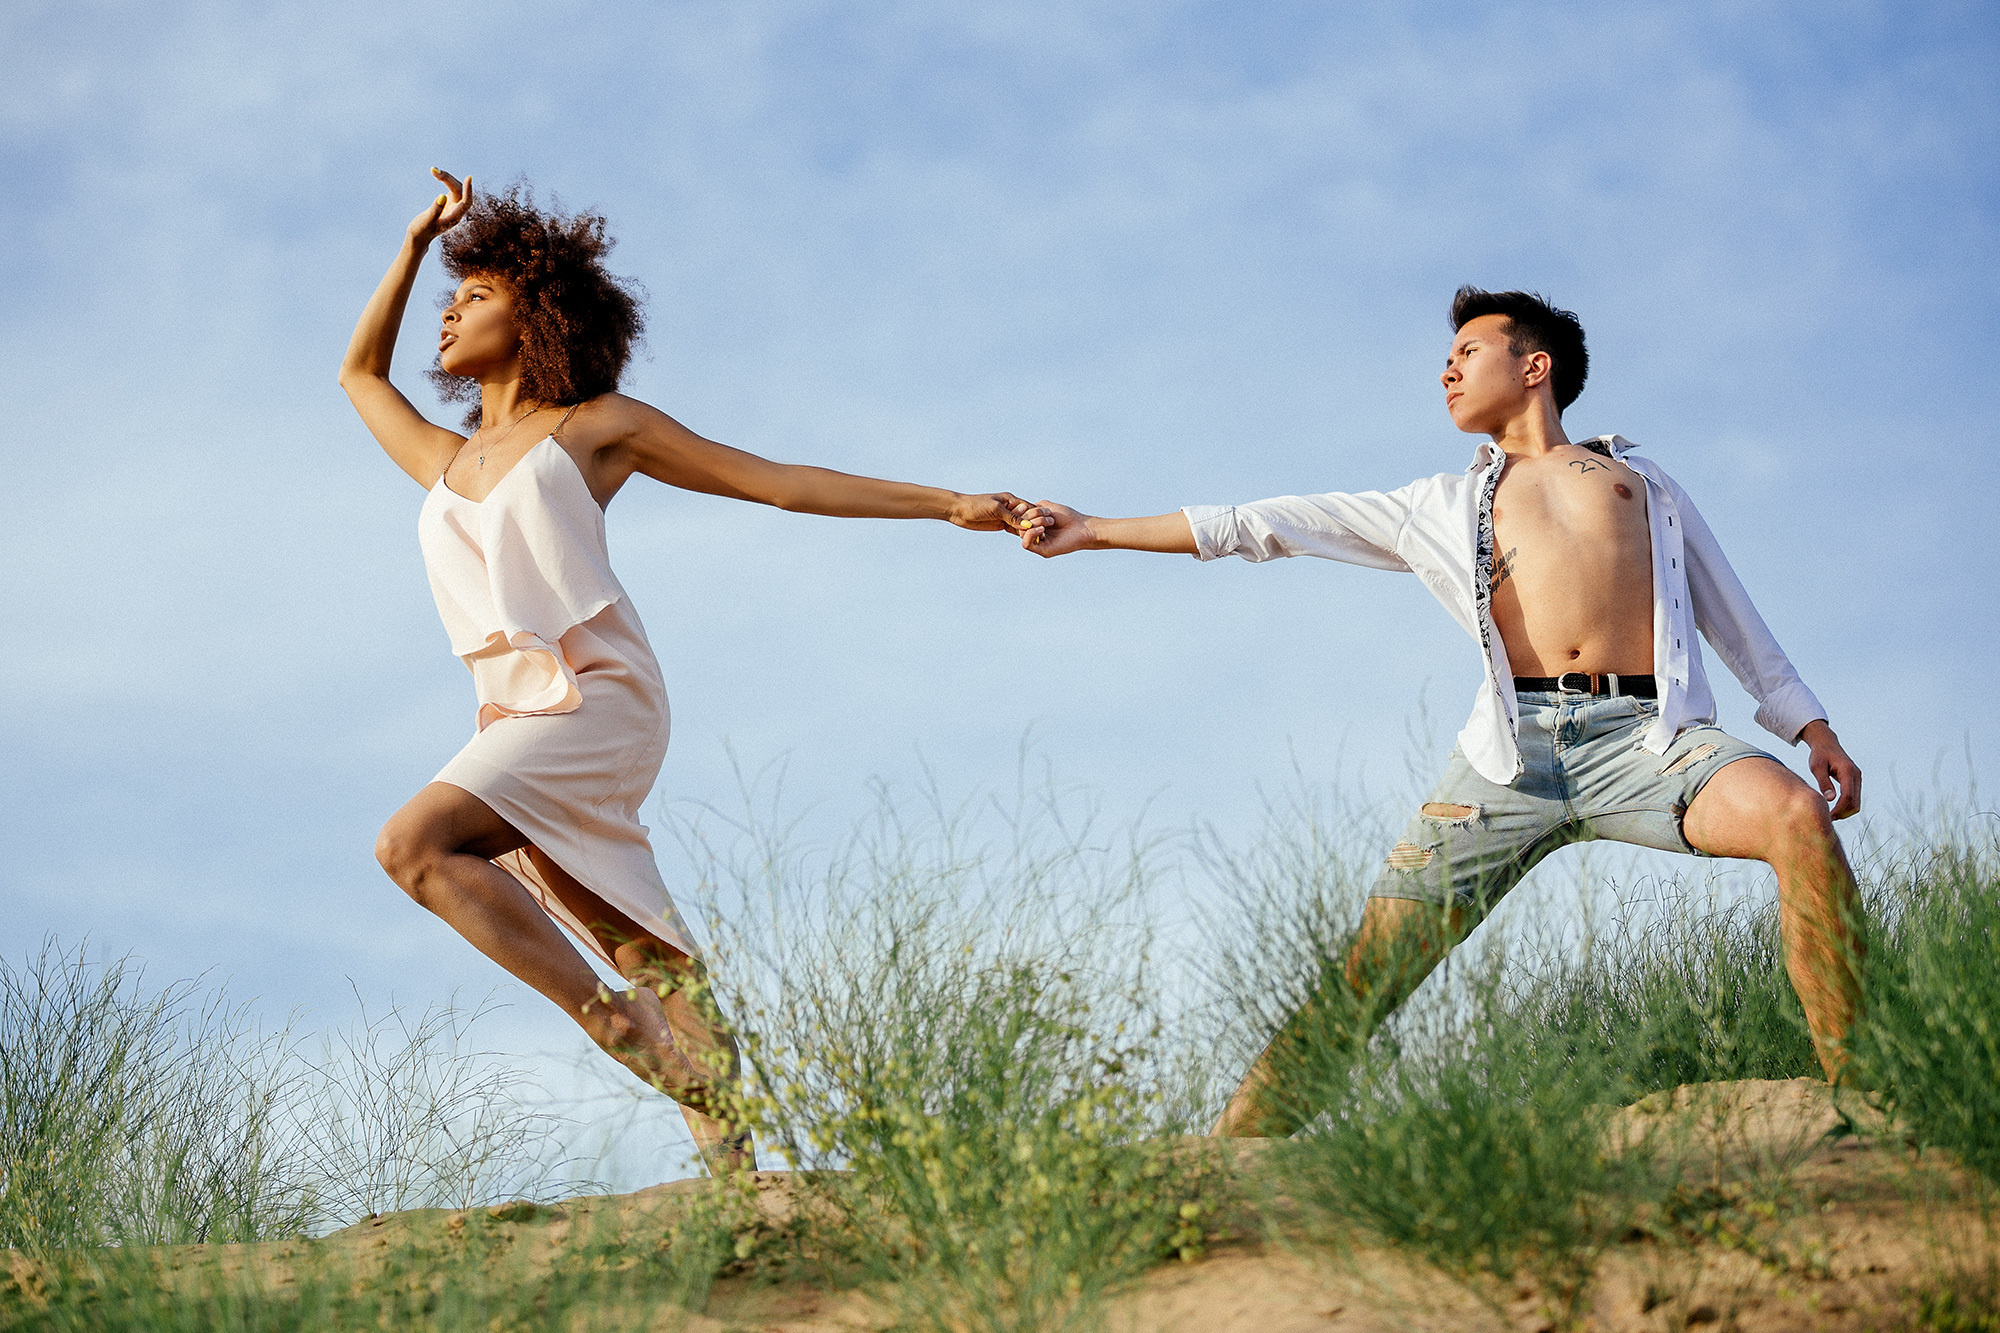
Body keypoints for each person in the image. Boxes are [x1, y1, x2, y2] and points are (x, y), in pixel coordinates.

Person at [1018, 287, 1865, 1137]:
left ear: (1534, 367)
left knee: (1794, 815)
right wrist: (1092, 528)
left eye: (1468, 353)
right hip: (1508, 757)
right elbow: (1262, 523)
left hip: (1648, 739)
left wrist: (1808, 725)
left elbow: (1731, 612)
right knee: (1371, 968)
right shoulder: (1438, 504)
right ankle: (1225, 1157)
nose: (1446, 369)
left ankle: (1869, 1095)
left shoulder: (1642, 484)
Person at [340, 169, 1032, 1171]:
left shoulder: (596, 427)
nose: (448, 313)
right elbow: (360, 376)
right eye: (449, 297)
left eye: (476, 294)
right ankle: (739, 1177)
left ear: (541, 310)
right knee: (638, 943)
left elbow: (782, 484)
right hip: (512, 714)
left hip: (598, 696)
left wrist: (948, 501)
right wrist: (410, 251)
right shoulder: (441, 460)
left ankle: (620, 1032)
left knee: (414, 843)